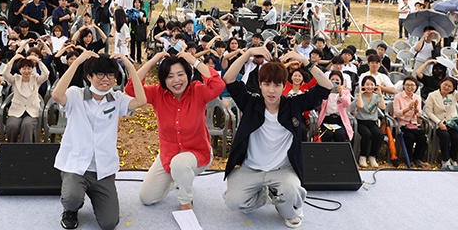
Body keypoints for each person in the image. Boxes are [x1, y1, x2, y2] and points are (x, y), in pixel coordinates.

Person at [222, 48, 333, 229]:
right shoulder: (251, 103)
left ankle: (283, 202)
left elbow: (326, 86)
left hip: (282, 169)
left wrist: (305, 61)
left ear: (284, 85)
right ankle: (263, 195)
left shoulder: (294, 105)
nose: (271, 90)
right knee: (234, 202)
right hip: (251, 168)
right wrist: (248, 53)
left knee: (292, 197)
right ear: (260, 84)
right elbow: (229, 79)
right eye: (266, 84)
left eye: (277, 85)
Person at [53, 52, 146, 230]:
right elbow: (57, 95)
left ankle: (93, 196)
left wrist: (130, 67)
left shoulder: (117, 99)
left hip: (102, 169)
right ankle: (70, 209)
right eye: (100, 74)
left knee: (109, 223)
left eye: (111, 75)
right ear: (89, 76)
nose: (106, 79)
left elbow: (141, 101)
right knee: (72, 198)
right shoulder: (75, 95)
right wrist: (79, 60)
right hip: (76, 166)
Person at [125, 51, 225, 211]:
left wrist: (193, 60)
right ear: (164, 79)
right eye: (170, 76)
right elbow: (131, 89)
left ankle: (186, 202)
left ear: (188, 74)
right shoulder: (157, 93)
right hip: (169, 153)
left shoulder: (197, 91)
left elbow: (217, 84)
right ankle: (177, 179)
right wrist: (153, 61)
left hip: (197, 153)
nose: (176, 81)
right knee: (147, 198)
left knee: (180, 164)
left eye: (180, 74)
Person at [424, 73, 458, 168]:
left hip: (452, 123)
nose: (446, 87)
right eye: (445, 84)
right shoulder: (432, 95)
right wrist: (439, 122)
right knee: (445, 136)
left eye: (450, 86)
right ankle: (445, 160)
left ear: (453, 88)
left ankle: (453, 158)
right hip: (439, 123)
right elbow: (429, 112)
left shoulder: (454, 95)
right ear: (441, 84)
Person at [3, 53, 49, 142]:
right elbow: (5, 74)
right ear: (20, 70)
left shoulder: (36, 79)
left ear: (32, 69)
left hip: (32, 111)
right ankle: (11, 149)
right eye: (24, 68)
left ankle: (26, 150)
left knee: (27, 125)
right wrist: (13, 59)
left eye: (29, 68)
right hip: (16, 110)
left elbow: (46, 74)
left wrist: (38, 61)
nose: (26, 71)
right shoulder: (15, 79)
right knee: (12, 126)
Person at [352, 76, 386, 168]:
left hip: (372, 122)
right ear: (363, 85)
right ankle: (363, 156)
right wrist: (360, 94)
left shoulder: (376, 97)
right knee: (366, 134)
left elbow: (383, 107)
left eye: (372, 84)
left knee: (378, 134)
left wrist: (380, 95)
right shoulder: (359, 96)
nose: (370, 87)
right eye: (367, 84)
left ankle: (372, 156)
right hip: (361, 121)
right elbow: (360, 106)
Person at [393, 76, 425, 167]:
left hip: (414, 124)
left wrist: (416, 112)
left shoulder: (417, 98)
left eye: (412, 85)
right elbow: (396, 113)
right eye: (407, 85)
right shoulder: (398, 97)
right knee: (409, 137)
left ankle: (417, 158)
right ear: (403, 86)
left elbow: (419, 113)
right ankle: (408, 158)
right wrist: (407, 109)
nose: (410, 87)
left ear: (416, 87)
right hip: (402, 124)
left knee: (422, 138)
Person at [316, 71, 352, 142]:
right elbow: (319, 103)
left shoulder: (345, 92)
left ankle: (339, 153)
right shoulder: (325, 92)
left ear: (341, 82)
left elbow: (347, 103)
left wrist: (341, 94)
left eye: (337, 81)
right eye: (332, 80)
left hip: (339, 119)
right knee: (327, 134)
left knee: (340, 134)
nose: (334, 82)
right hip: (326, 119)